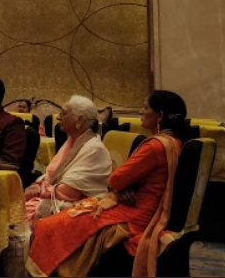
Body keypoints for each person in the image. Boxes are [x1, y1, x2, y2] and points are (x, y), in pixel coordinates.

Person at [27, 91, 192, 277]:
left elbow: (116, 179)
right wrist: (124, 187)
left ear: (159, 116)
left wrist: (121, 186)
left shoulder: (154, 146)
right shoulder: (174, 142)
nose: (140, 112)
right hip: (139, 206)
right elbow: (129, 181)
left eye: (145, 108)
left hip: (134, 215)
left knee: (50, 226)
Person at [24, 95, 111, 224]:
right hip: (60, 197)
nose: (58, 117)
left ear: (79, 120)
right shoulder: (73, 141)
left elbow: (70, 192)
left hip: (83, 205)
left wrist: (41, 190)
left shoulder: (95, 148)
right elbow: (53, 174)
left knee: (28, 210)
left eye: (64, 114)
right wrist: (37, 186)